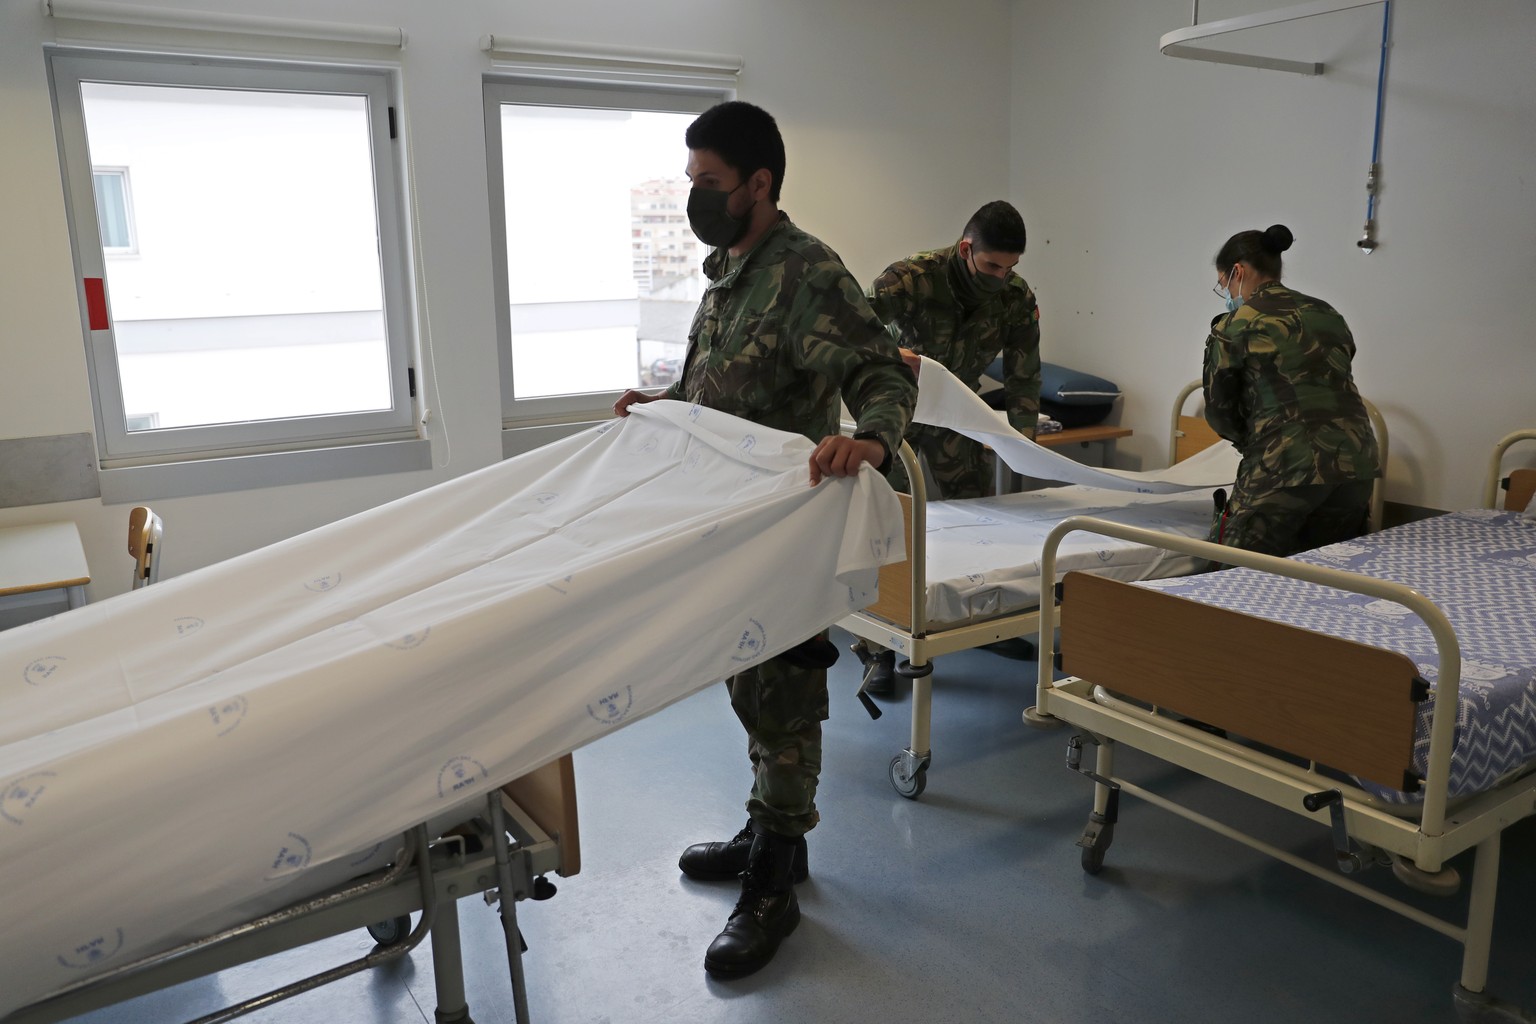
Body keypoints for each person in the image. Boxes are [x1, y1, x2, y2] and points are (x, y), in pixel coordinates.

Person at [613, 101, 917, 980]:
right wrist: (659, 404)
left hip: (786, 525)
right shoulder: (729, 271)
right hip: (726, 524)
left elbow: (877, 368)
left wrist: (875, 439)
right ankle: (763, 826)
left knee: (783, 690)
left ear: (759, 184)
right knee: (747, 680)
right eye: (691, 181)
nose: (693, 197)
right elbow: (713, 383)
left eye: (708, 183)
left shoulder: (809, 272)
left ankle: (779, 874)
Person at [859, 200, 1041, 691]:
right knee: (891, 522)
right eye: (991, 266)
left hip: (958, 415)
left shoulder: (1016, 298)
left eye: (1010, 268)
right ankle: (877, 648)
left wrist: (1020, 443)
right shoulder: (908, 280)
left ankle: (979, 620)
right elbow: (853, 338)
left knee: (979, 514)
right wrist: (887, 356)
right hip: (898, 412)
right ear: (966, 249)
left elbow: (1025, 375)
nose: (1001, 277)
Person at [1204, 223, 1380, 558]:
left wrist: (1256, 445)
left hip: (1285, 464)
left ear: (1238, 271)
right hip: (1355, 464)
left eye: (1223, 283)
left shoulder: (1235, 325)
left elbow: (1219, 410)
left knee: (1235, 574)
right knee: (1330, 571)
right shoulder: (1327, 314)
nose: (1227, 293)